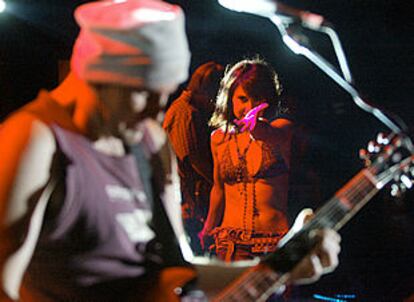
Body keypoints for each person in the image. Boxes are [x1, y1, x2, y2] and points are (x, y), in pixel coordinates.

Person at [0, 1, 340, 301]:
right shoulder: (35, 141)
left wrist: (278, 268)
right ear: (100, 75)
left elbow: (178, 271)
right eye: (146, 95)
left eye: (163, 97)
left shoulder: (149, 144)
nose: (155, 114)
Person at [200, 58, 294, 262]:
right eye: (242, 99)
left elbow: (263, 133)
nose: (250, 106)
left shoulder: (281, 128)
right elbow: (218, 190)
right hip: (229, 243)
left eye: (257, 99)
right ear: (229, 98)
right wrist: (207, 228)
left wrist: (253, 124)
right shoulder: (218, 138)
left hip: (273, 243)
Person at [163, 61, 224, 255]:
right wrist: (222, 184)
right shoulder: (186, 113)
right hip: (188, 204)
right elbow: (194, 160)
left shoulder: (187, 110)